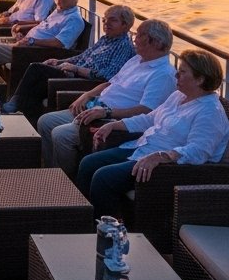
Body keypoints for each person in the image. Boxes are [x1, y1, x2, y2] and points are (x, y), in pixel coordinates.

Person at [75, 49, 229, 217]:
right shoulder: (178, 96)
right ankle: (81, 217)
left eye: (182, 72)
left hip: (163, 168)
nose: (176, 75)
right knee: (88, 163)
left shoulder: (210, 112)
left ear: (200, 79)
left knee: (103, 178)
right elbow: (150, 119)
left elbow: (199, 151)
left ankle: (107, 228)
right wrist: (114, 125)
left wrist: (162, 156)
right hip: (142, 147)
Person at [36, 18, 177, 177]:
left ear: (156, 42)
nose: (134, 39)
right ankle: (52, 171)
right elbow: (110, 83)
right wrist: (87, 95)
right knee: (46, 121)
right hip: (95, 106)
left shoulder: (163, 74)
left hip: (109, 118)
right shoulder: (136, 60)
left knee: (61, 135)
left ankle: (66, 179)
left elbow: (146, 110)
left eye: (139, 35)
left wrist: (106, 112)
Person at [1, 5, 136, 116]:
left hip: (83, 81)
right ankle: (23, 113)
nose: (106, 23)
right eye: (104, 20)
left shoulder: (123, 46)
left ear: (126, 25)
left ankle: (15, 104)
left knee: (36, 69)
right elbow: (82, 56)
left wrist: (76, 69)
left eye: (112, 20)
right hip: (72, 72)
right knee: (38, 80)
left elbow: (107, 75)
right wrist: (59, 61)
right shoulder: (106, 39)